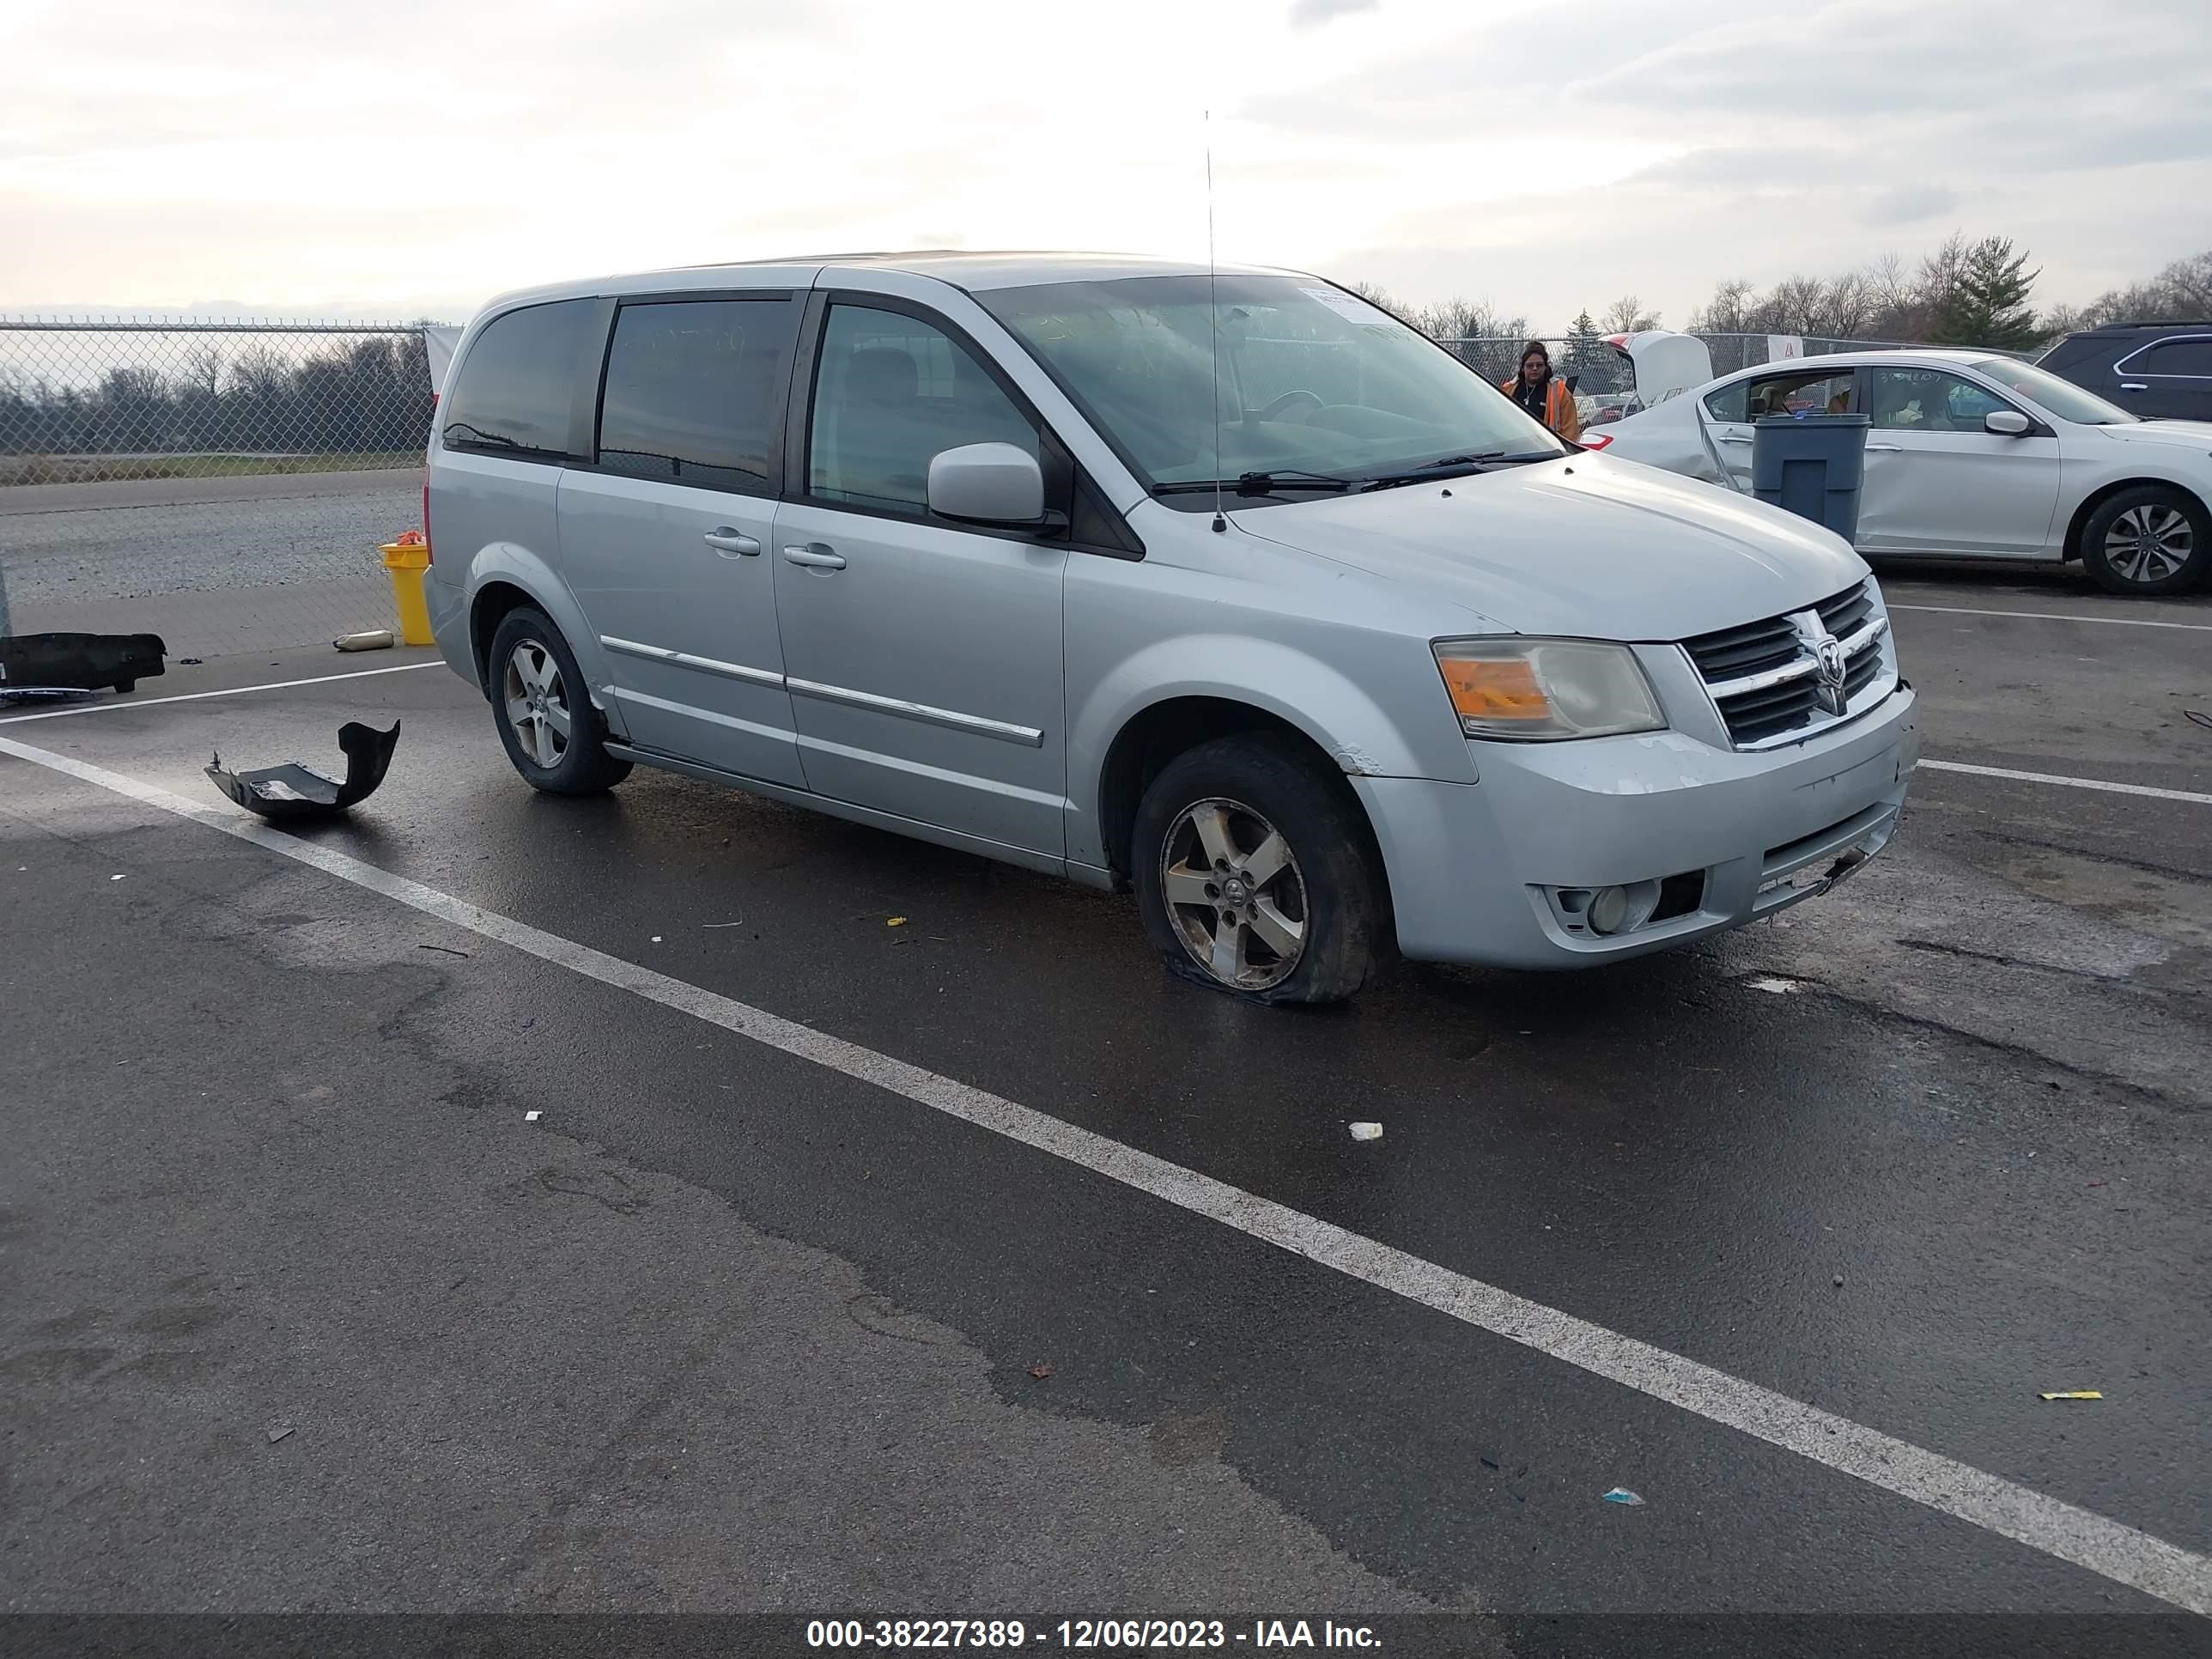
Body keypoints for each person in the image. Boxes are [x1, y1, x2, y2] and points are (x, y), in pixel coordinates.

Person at [1500, 342, 1579, 441]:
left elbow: (1570, 431)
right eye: (1530, 365)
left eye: (1539, 365)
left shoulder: (1559, 392)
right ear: (1522, 368)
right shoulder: (1508, 389)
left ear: (1546, 367)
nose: (1534, 368)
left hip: (1547, 448)